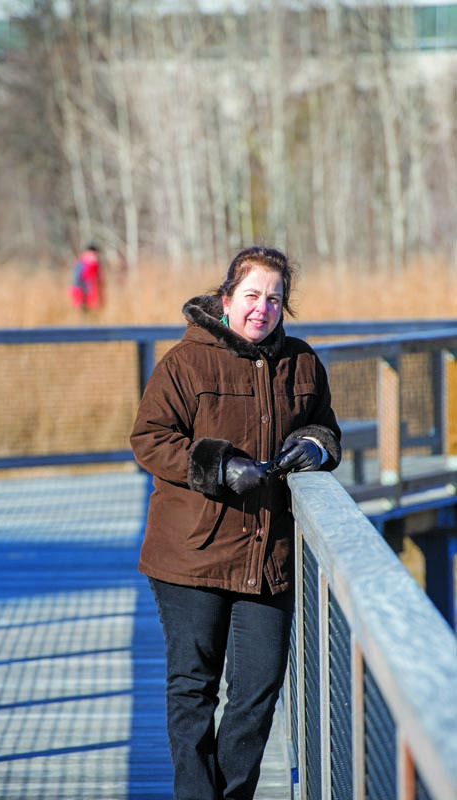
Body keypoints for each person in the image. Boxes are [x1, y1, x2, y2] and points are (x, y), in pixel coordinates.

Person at [130, 246, 341, 800]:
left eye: (274, 298)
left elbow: (325, 429)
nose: (261, 308)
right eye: (251, 295)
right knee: (193, 689)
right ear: (226, 300)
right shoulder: (185, 363)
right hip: (191, 554)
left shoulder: (302, 362)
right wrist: (218, 466)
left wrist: (314, 446)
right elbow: (149, 439)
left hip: (267, 557)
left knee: (256, 692)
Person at [68, 243, 104, 311]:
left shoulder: (84, 261)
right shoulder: (86, 263)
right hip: (83, 293)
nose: (96, 256)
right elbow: (78, 280)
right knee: (85, 311)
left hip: (87, 293)